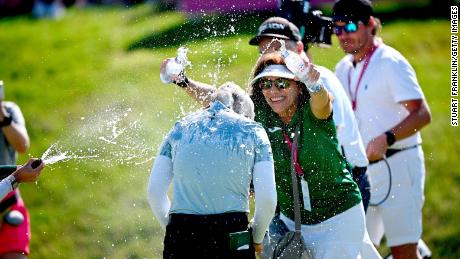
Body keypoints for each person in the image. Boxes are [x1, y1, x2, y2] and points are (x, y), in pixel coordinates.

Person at [163, 16, 372, 211]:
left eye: (279, 48)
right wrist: (183, 81)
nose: (272, 57)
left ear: (299, 48)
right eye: (265, 51)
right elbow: (228, 103)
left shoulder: (319, 80)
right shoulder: (273, 90)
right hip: (300, 193)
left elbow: (325, 140)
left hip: (343, 185)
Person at [332, 0, 432, 258]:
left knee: (403, 250)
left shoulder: (390, 62)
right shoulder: (342, 68)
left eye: (351, 26)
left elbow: (422, 114)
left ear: (371, 25)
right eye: (337, 28)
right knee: (362, 250)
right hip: (363, 173)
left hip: (399, 163)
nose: (343, 34)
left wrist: (387, 138)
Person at [147, 83, 277, 258]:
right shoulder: (253, 130)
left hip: (181, 234)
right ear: (245, 114)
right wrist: (257, 237)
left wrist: (174, 230)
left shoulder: (179, 128)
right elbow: (268, 200)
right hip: (232, 233)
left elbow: (154, 192)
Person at [0, 82, 31, 259]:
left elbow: (22, 145)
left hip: (8, 204)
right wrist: (17, 176)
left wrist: (3, 117)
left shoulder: (9, 110)